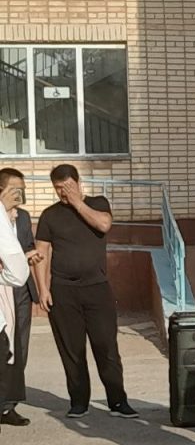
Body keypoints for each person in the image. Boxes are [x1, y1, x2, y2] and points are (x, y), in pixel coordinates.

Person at [35, 164, 137, 420]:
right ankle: (79, 401)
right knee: (72, 350)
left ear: (78, 182)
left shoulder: (97, 203)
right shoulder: (49, 215)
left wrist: (77, 203)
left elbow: (104, 225)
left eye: (67, 187)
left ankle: (117, 401)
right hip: (63, 290)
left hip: (97, 289)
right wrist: (43, 289)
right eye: (58, 188)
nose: (63, 193)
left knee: (106, 346)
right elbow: (41, 253)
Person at [0, 168, 44, 427]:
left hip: (21, 290)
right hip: (3, 288)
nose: (20, 194)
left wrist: (31, 257)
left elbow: (27, 247)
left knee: (19, 348)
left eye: (22, 189)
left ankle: (8, 405)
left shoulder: (23, 217)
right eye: (15, 189)